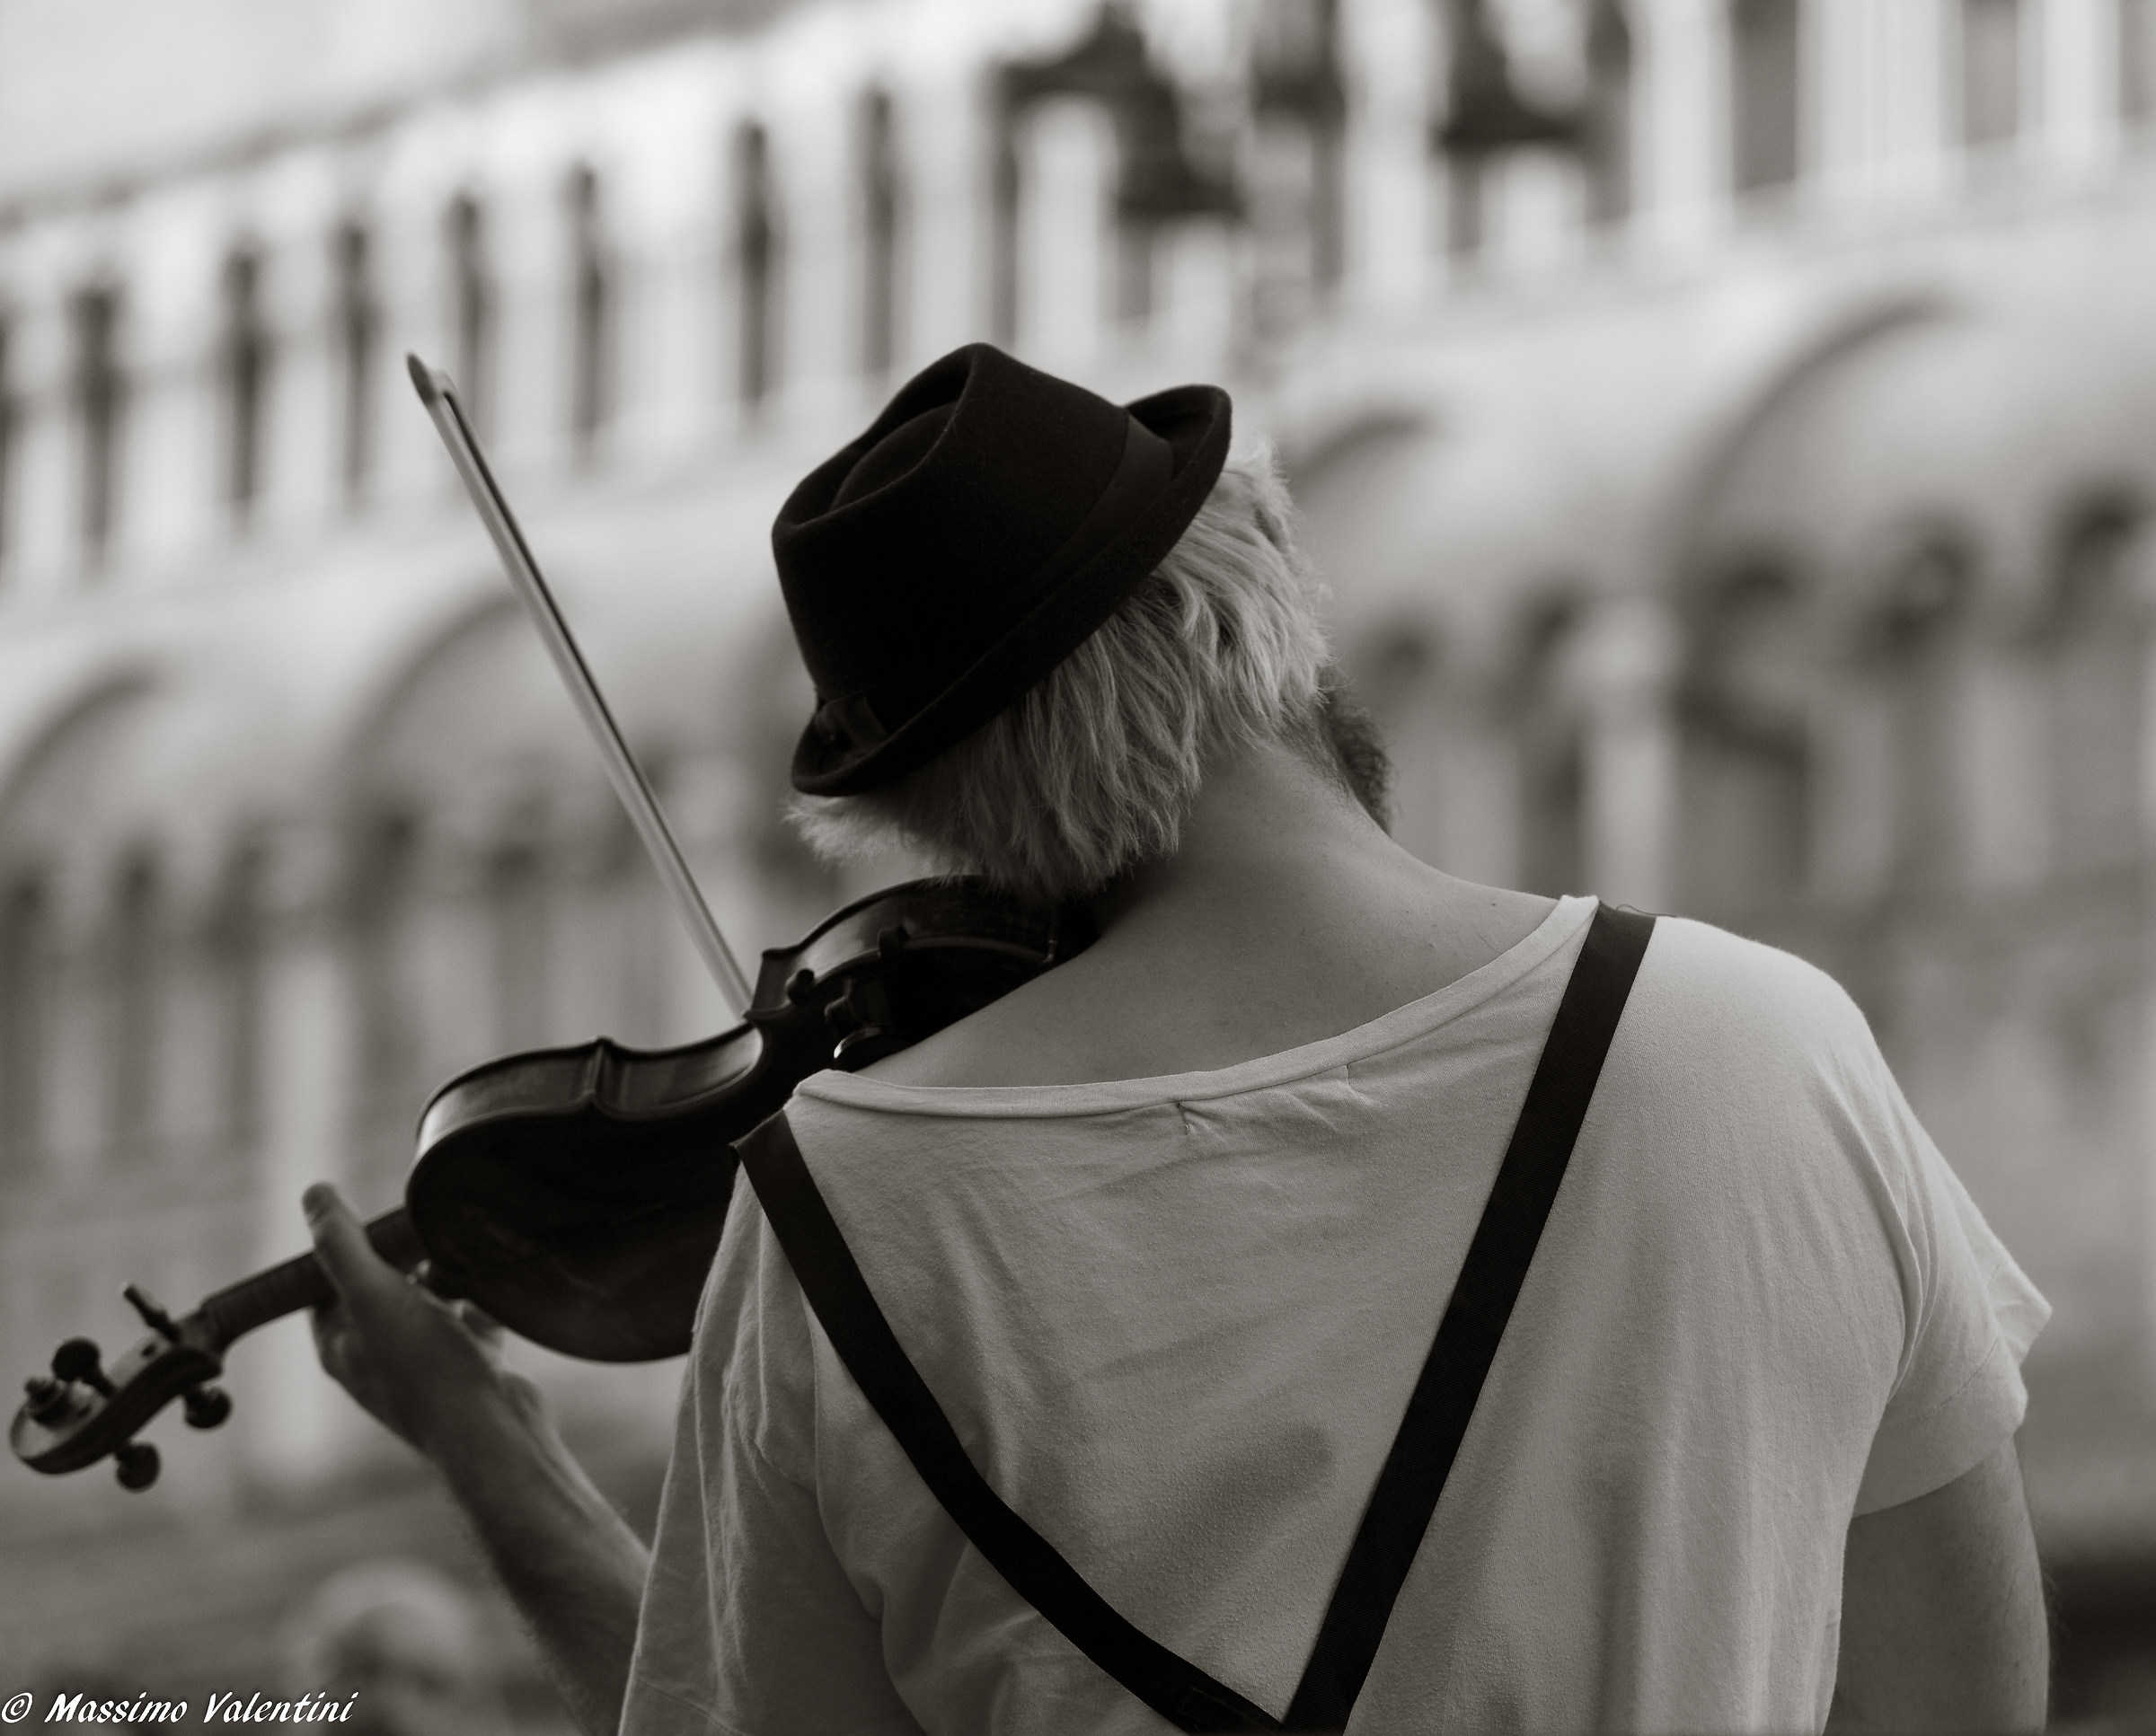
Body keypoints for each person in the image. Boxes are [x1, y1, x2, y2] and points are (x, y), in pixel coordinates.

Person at [305, 343, 2051, 1735]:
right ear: (1263, 603)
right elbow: (1960, 1694)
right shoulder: (1762, 1046)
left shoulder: (851, 1208)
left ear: (921, 807)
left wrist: (493, 1449)